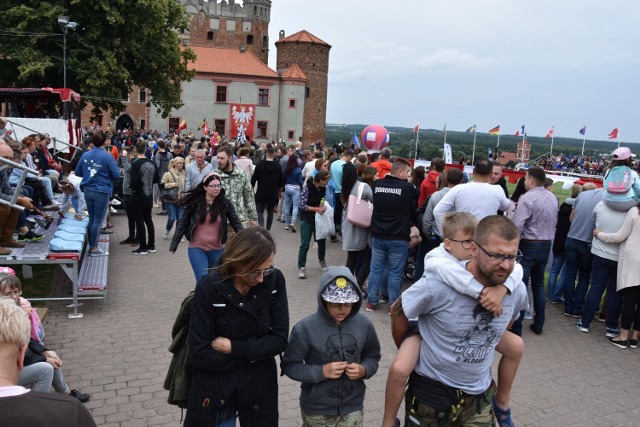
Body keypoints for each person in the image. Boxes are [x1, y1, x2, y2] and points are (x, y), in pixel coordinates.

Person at [384, 212, 524, 427]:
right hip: (431, 396)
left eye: (511, 257)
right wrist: (410, 344)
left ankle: (502, 404)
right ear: (475, 249)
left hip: (480, 397)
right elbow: (398, 311)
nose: (505, 265)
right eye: (496, 255)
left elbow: (504, 327)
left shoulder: (516, 289)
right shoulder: (436, 284)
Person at [185, 228, 289, 426]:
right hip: (215, 387)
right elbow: (199, 354)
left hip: (259, 387)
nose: (261, 278)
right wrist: (255, 354)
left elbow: (280, 339)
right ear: (236, 263)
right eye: (254, 271)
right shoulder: (209, 287)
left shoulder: (274, 279)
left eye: (266, 269)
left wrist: (235, 348)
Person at [282, 266, 381, 426]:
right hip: (316, 411)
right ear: (323, 299)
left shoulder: (364, 324)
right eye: (335, 303)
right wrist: (321, 372)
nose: (343, 309)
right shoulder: (305, 328)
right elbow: (290, 366)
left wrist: (364, 370)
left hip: (353, 407)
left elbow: (373, 356)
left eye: (348, 303)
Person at [0, 299, 96, 426]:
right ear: (22, 352)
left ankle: (65, 391)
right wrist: (45, 359)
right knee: (46, 368)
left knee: (50, 359)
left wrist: (44, 352)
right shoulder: (71, 412)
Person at [510, 167, 558, 336]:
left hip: (529, 244)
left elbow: (517, 226)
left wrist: (513, 248)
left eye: (525, 179)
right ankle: (539, 322)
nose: (524, 182)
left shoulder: (527, 198)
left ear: (531, 180)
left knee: (521, 285)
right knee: (538, 285)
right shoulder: (552, 197)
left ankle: (516, 326)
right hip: (546, 244)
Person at [366, 158, 419, 312]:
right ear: (400, 172)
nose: (408, 175)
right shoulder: (407, 188)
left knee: (375, 270)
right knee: (395, 273)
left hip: (378, 235)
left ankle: (371, 302)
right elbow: (417, 192)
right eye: (407, 172)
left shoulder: (377, 185)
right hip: (398, 237)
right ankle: (392, 306)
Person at [170, 172, 243, 281]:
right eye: (213, 186)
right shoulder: (195, 203)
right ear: (205, 187)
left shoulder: (225, 203)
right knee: (203, 279)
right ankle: (201, 297)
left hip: (217, 249)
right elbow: (183, 222)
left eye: (218, 185)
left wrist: (246, 241)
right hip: (197, 248)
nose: (216, 188)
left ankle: (204, 298)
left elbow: (236, 222)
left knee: (217, 281)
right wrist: (174, 244)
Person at [575, 199, 626, 334]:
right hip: (617, 255)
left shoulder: (602, 204)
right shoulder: (630, 209)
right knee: (615, 293)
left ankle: (585, 322)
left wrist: (601, 233)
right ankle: (611, 326)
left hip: (601, 253)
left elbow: (594, 219)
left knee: (596, 289)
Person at [594, 203, 640, 348]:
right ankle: (634, 337)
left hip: (634, 259)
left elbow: (620, 235)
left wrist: (599, 234)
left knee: (630, 300)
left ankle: (624, 335)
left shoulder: (634, 211)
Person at [74, 131, 120, 257]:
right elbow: (116, 175)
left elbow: (78, 172)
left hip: (88, 190)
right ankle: (94, 248)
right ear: (104, 142)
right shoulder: (107, 156)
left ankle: (93, 246)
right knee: (98, 221)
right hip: (102, 190)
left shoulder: (85, 155)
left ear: (92, 142)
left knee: (92, 219)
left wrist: (90, 175)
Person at [433, 159, 511, 234]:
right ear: (491, 174)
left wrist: (446, 234)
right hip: (485, 238)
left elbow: (437, 211)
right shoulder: (498, 190)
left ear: (473, 171)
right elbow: (506, 206)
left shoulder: (458, 188)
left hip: (464, 236)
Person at [561, 183, 603, 318]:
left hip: (572, 239)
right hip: (587, 242)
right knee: (584, 276)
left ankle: (568, 306)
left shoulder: (581, 195)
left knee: (570, 274)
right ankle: (577, 308)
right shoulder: (604, 198)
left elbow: (571, 218)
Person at [547, 184, 582, 303]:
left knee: (555, 270)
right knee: (564, 272)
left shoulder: (564, 205)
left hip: (559, 240)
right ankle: (555, 296)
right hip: (568, 241)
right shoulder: (577, 208)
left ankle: (552, 294)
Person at [341, 163, 373, 290]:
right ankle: (357, 286)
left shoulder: (345, 188)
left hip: (348, 226)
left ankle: (347, 285)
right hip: (361, 227)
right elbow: (373, 200)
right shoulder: (362, 187)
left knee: (351, 258)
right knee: (367, 259)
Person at [297, 170, 331, 279]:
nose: (327, 182)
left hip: (318, 219)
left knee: (321, 241)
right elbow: (302, 205)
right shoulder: (307, 188)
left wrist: (323, 207)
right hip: (307, 219)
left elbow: (322, 201)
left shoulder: (323, 189)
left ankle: (322, 260)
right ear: (321, 180)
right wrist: (317, 209)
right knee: (304, 244)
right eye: (326, 180)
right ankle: (301, 267)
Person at [130, 141, 160, 255]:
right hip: (148, 195)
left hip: (138, 195)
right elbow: (157, 179)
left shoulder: (135, 163)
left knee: (139, 221)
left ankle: (143, 247)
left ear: (136, 150)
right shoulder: (152, 162)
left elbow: (134, 181)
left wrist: (131, 185)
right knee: (148, 219)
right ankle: (151, 245)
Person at [217, 146, 258, 228]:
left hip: (239, 221)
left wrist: (253, 218)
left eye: (222, 158)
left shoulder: (241, 174)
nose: (219, 161)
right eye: (218, 158)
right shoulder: (214, 175)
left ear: (230, 158)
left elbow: (248, 196)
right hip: (220, 221)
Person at [251, 146, 283, 231]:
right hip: (273, 192)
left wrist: (252, 186)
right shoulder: (278, 166)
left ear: (266, 154)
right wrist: (280, 190)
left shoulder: (260, 165)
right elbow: (281, 180)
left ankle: (262, 227)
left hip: (261, 191)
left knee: (259, 211)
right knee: (270, 212)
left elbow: (254, 179)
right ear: (274, 155)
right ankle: (268, 229)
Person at [161, 157, 187, 240]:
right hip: (170, 200)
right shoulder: (168, 174)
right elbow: (162, 185)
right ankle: (167, 230)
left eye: (182, 163)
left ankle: (178, 234)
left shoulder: (184, 173)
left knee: (180, 219)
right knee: (172, 218)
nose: (181, 165)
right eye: (179, 163)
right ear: (175, 164)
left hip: (181, 200)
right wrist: (173, 184)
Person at [117, 146, 138, 245]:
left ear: (131, 154)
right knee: (130, 217)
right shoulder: (125, 160)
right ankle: (131, 236)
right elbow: (119, 165)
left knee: (136, 216)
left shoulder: (136, 161)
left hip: (133, 193)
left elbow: (129, 169)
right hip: (126, 193)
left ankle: (138, 237)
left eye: (126, 154)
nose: (124, 157)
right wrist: (121, 157)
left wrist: (125, 158)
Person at [283, 154, 303, 232]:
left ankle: (286, 224)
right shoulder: (298, 170)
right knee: (295, 207)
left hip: (287, 187)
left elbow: (283, 179)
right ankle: (293, 223)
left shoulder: (286, 169)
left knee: (287, 206)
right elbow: (300, 181)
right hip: (295, 189)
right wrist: (301, 187)